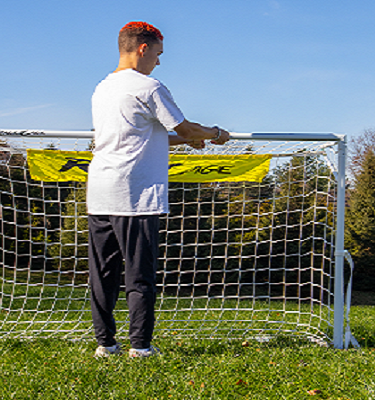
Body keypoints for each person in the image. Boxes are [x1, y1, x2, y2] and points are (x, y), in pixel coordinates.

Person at [87, 21, 230, 358]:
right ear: (143, 49)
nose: (159, 62)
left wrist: (187, 141)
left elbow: (143, 134)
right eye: (159, 54)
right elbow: (186, 126)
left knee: (103, 274)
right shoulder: (149, 87)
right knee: (140, 276)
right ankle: (141, 347)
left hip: (100, 191)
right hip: (134, 195)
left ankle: (105, 345)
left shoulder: (102, 88)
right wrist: (215, 133)